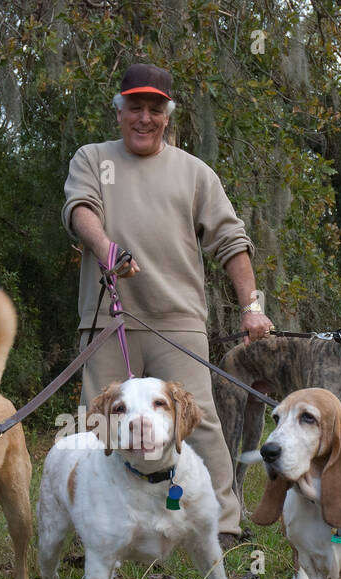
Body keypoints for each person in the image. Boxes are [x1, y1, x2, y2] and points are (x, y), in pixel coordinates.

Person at [62, 63, 272, 547]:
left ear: (167, 115)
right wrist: (107, 250)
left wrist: (252, 306)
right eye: (134, 107)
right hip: (107, 320)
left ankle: (223, 526)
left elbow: (230, 239)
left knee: (197, 420)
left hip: (177, 320)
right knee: (100, 426)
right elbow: (80, 210)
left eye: (155, 109)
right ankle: (96, 533)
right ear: (119, 112)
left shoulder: (194, 172)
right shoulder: (92, 159)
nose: (144, 118)